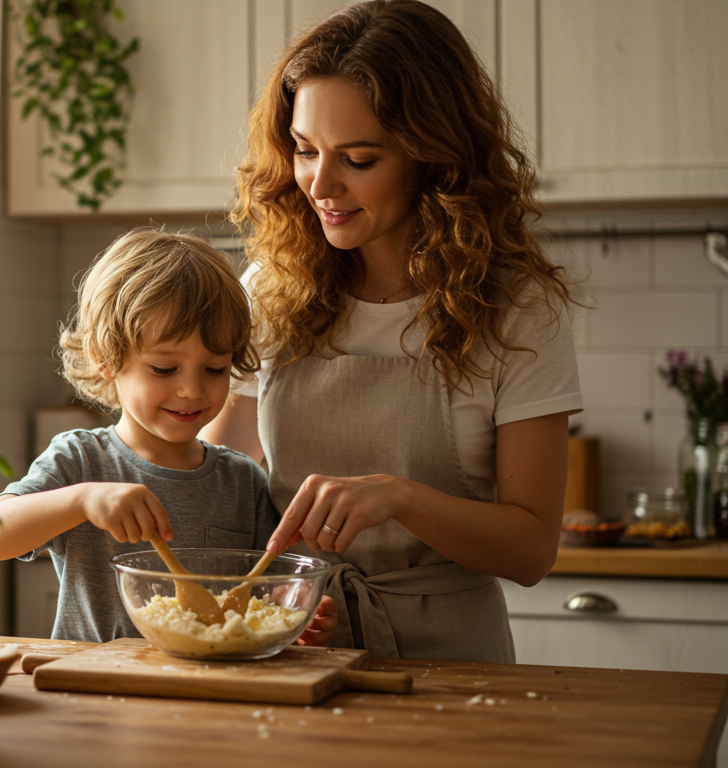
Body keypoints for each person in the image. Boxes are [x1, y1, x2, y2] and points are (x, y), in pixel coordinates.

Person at [199, 0, 582, 663]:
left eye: (360, 158)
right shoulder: (269, 291)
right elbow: (218, 487)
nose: (321, 184)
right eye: (304, 149)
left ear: (433, 157)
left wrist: (400, 499)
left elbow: (530, 550)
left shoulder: (516, 309)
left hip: (454, 664)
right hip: (294, 649)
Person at [0, 229, 282, 643]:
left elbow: (270, 597)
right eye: (164, 370)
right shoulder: (80, 461)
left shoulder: (244, 482)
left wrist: (302, 619)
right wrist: (82, 500)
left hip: (205, 696)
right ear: (106, 358)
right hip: (90, 692)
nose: (192, 390)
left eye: (215, 369)